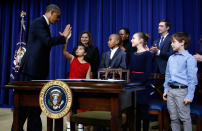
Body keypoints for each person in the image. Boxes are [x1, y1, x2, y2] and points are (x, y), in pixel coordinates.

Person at [17, 4, 71, 131]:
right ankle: (17, 127)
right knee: (26, 103)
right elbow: (47, 42)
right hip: (31, 70)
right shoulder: (39, 22)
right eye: (57, 17)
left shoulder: (44, 24)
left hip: (37, 70)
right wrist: (63, 37)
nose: (57, 20)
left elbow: (45, 44)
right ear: (51, 12)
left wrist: (62, 38)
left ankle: (33, 128)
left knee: (36, 104)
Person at [163, 32, 198, 131]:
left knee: (185, 118)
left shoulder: (190, 58)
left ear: (182, 42)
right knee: (173, 118)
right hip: (170, 91)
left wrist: (190, 95)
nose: (171, 44)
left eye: (173, 42)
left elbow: (192, 80)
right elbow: (167, 75)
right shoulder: (171, 58)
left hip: (182, 91)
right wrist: (166, 90)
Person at [63, 32, 91, 131]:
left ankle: (80, 126)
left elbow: (87, 79)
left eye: (80, 48)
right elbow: (64, 52)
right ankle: (68, 127)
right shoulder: (72, 59)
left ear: (85, 53)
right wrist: (66, 39)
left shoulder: (87, 65)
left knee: (81, 107)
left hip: (81, 88)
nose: (78, 50)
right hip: (70, 87)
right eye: (77, 49)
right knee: (69, 108)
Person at [128, 32, 152, 131]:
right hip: (133, 85)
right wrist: (131, 83)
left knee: (144, 110)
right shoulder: (133, 54)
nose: (131, 40)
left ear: (141, 41)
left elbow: (148, 71)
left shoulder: (147, 54)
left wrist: (139, 83)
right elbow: (130, 70)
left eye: (133, 38)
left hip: (143, 85)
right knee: (136, 111)